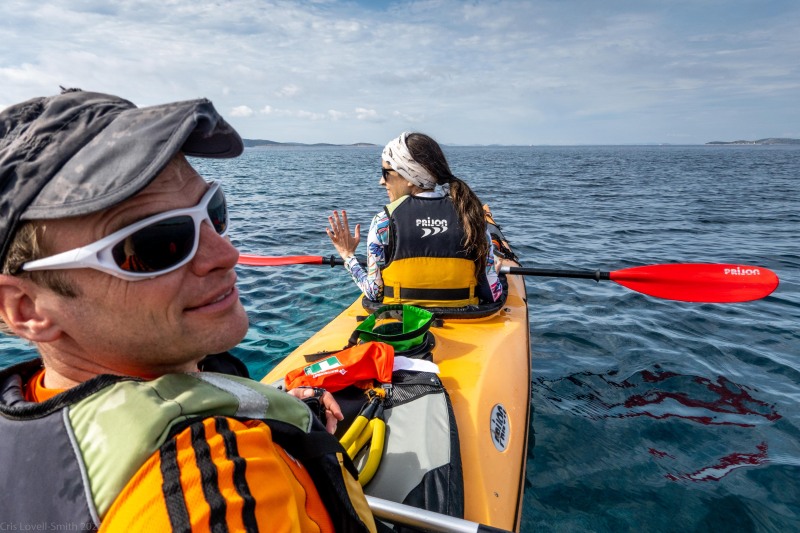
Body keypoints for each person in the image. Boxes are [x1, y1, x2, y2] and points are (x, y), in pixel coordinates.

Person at [0, 88, 377, 532]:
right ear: (26, 309)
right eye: (157, 244)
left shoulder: (26, 405)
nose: (225, 253)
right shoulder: (214, 479)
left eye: (213, 212)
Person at [326, 132, 503, 308]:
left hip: (403, 325)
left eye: (385, 173)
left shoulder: (383, 222)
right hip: (464, 321)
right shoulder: (470, 215)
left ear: (409, 176)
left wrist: (348, 256)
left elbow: (374, 292)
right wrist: (493, 273)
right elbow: (492, 294)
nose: (381, 181)